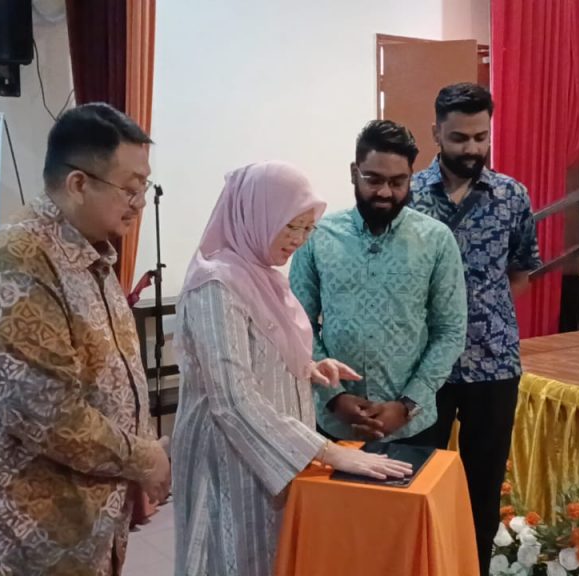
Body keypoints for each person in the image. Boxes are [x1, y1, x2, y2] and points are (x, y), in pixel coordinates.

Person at [0, 103, 171, 575]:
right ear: (78, 184)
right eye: (130, 188)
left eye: (145, 187)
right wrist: (143, 457)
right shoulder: (19, 260)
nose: (139, 202)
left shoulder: (90, 254)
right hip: (9, 538)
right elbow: (49, 414)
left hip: (75, 527)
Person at [171, 161, 412, 576]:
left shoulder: (260, 275)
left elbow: (260, 350)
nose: (298, 240)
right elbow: (232, 397)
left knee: (271, 552)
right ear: (256, 213)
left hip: (272, 450)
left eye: (307, 228)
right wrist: (329, 451)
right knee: (231, 556)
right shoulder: (216, 284)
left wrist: (308, 366)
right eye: (290, 227)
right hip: (230, 455)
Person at [409, 83, 542, 576]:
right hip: (424, 368)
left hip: (494, 365)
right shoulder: (409, 195)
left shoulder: (511, 196)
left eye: (480, 137)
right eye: (459, 138)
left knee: (483, 489)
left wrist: (484, 314)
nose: (471, 148)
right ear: (436, 133)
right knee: (417, 479)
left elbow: (521, 272)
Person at [289, 120, 467, 444]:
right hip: (334, 422)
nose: (385, 192)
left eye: (398, 181)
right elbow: (299, 324)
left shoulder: (436, 240)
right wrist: (334, 397)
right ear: (354, 172)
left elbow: (450, 331)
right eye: (373, 179)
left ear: (411, 177)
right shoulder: (317, 236)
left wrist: (408, 404)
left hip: (414, 426)